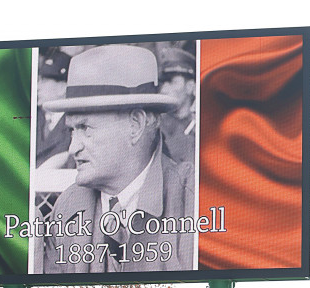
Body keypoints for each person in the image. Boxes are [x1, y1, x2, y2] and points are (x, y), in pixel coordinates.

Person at [42, 44, 195, 274]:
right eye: (72, 131)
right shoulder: (66, 208)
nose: (73, 147)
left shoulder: (192, 200)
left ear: (136, 124)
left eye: (85, 128)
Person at [158, 47, 196, 165]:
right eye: (163, 82)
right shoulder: (157, 128)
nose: (164, 90)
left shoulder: (202, 125)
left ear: (190, 87)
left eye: (172, 82)